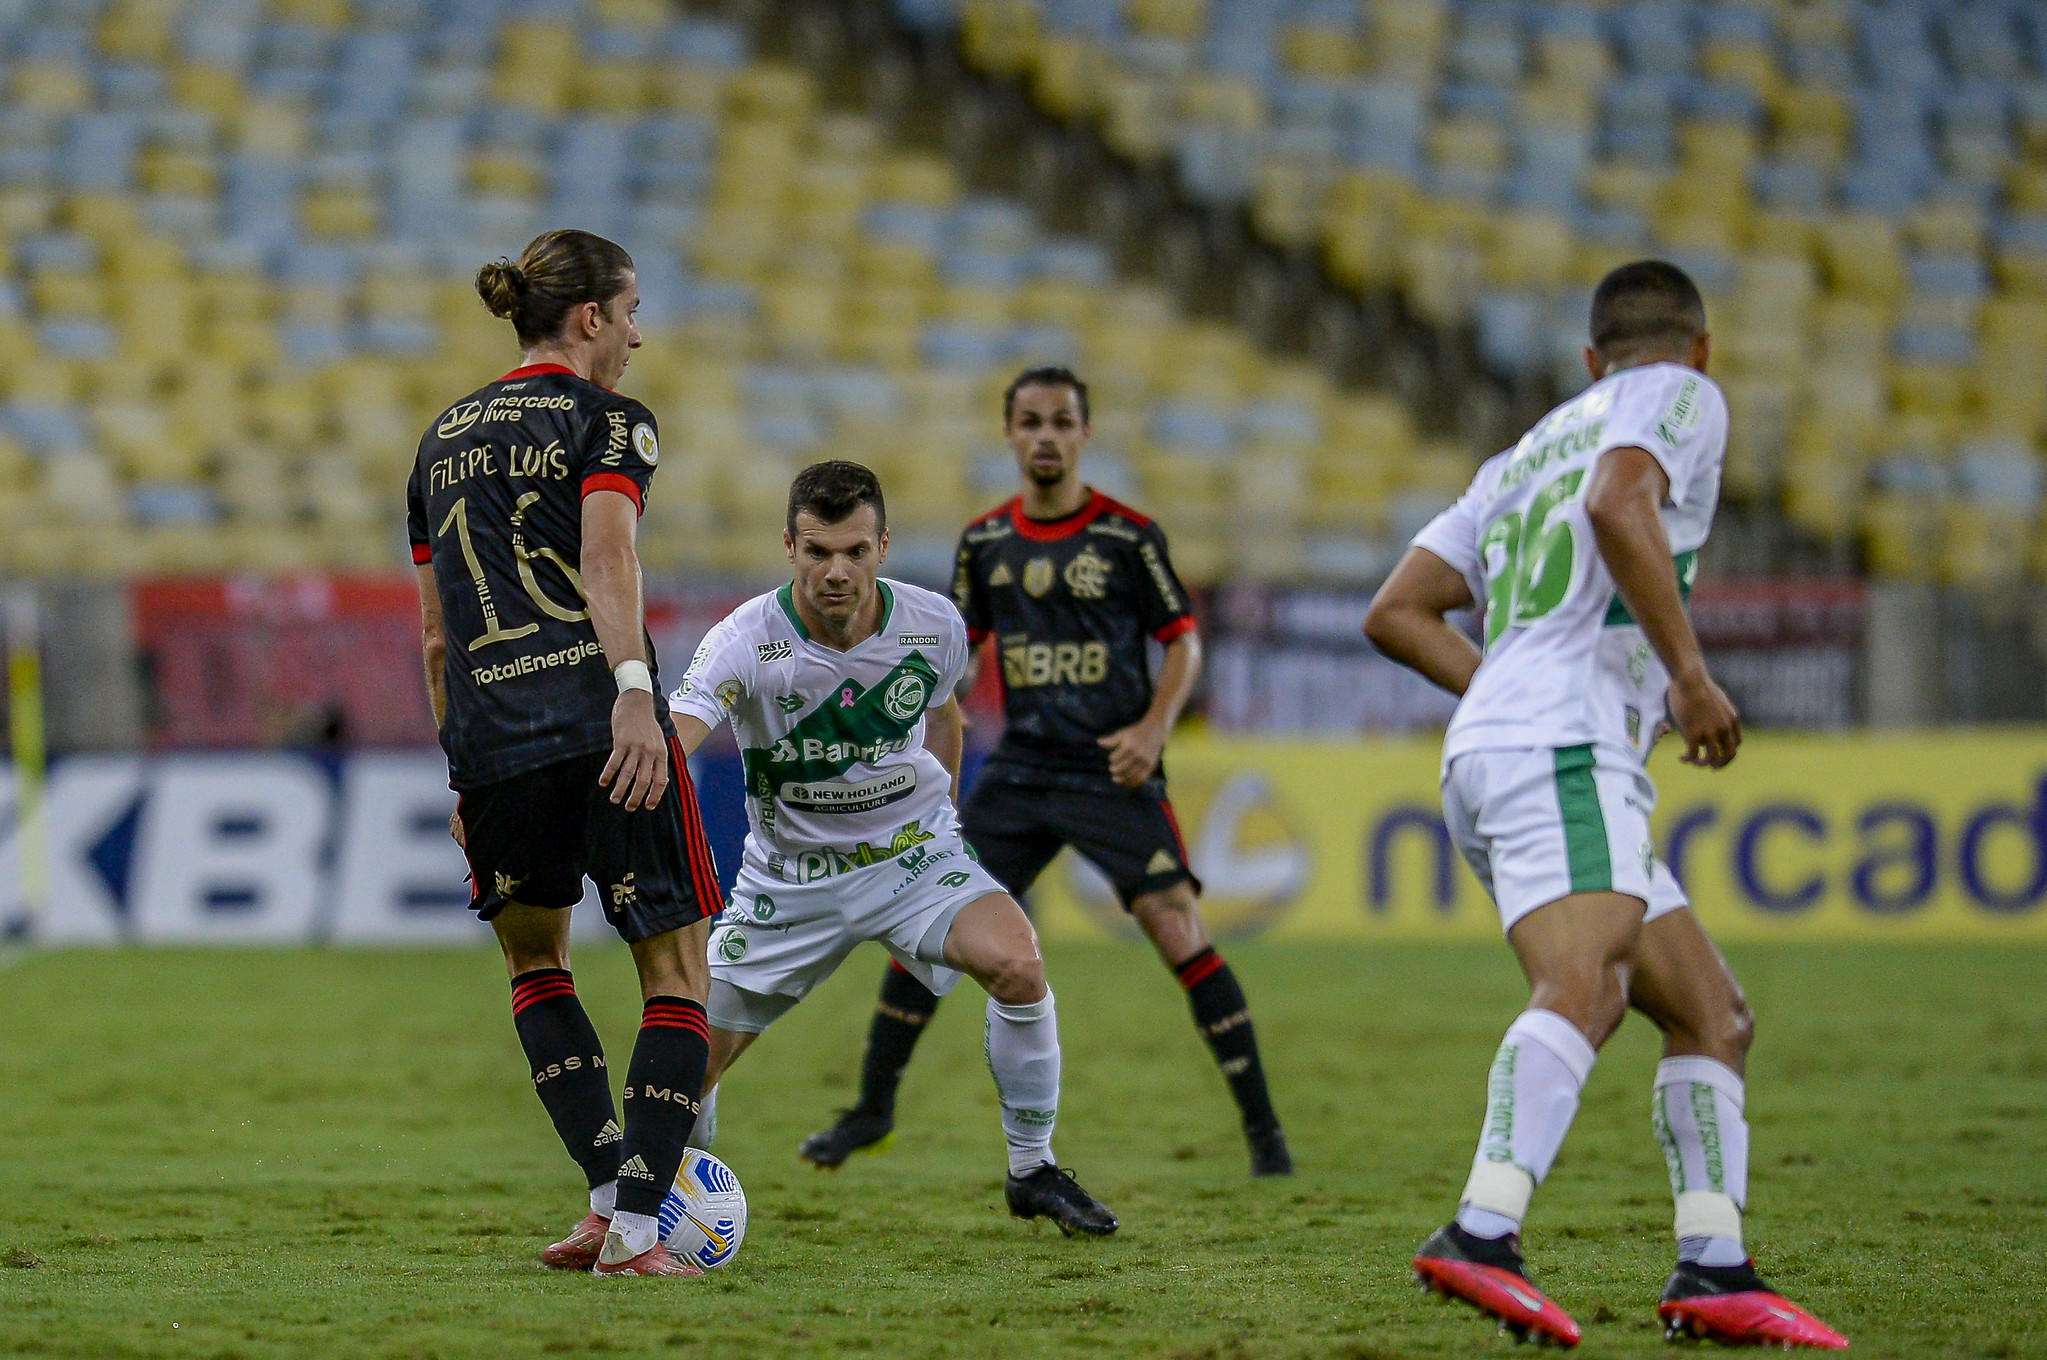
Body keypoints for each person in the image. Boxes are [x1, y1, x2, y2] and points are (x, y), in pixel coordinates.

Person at [1363, 261, 1847, 1349]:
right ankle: (1479, 1231)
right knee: (1583, 981)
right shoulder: (1679, 397)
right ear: (1700, 348)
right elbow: (1617, 499)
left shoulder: (1518, 452)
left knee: (1708, 1013)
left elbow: (1396, 610)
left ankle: (1714, 1264)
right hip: (1564, 746)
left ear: (1589, 361)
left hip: (1503, 744)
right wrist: (1685, 674)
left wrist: (1500, 685)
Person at [799, 366, 1291, 1179]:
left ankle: (1265, 1135)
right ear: (1010, 436)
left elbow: (1184, 641)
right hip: (1022, 771)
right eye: (1030, 423)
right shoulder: (987, 541)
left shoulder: (1128, 537)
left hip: (1111, 768)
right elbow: (952, 660)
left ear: (1084, 434)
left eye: (1061, 422)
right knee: (929, 923)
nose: (1046, 437)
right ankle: (870, 1110)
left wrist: (1151, 728)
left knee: (1175, 927)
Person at [668, 459, 1118, 1237]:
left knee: (1017, 964)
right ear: (788, 547)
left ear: (883, 545)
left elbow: (946, 715)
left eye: (853, 551)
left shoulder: (933, 623)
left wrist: (941, 815)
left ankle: (1031, 1168)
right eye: (816, 552)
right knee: (685, 1068)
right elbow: (681, 738)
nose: (834, 572)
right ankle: (671, 1189)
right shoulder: (743, 640)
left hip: (911, 859)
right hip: (791, 879)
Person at [411, 228, 721, 1279]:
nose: (637, 335)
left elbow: (439, 636)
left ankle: (603, 1203)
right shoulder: (610, 422)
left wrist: (463, 764)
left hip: (492, 741)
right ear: (590, 316)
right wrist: (637, 693)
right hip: (601, 726)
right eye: (630, 312)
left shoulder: (438, 440)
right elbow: (607, 555)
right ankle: (638, 1232)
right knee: (677, 972)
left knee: (536, 963)